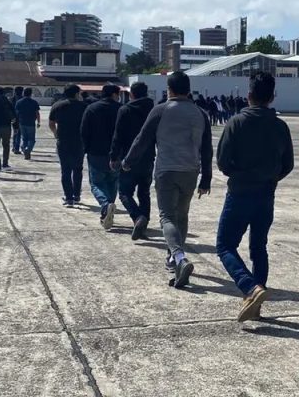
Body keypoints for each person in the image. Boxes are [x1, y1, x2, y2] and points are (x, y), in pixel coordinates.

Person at [216, 71, 294, 321]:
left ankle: (249, 287)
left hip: (240, 191)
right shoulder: (280, 126)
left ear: (248, 95)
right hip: (266, 193)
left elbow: (223, 162)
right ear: (273, 97)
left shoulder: (236, 122)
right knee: (258, 246)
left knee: (225, 245)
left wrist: (240, 174)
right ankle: (255, 302)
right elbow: (288, 164)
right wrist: (271, 178)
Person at [123, 71, 212, 289]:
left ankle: (180, 258)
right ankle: (172, 258)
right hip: (191, 171)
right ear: (188, 89)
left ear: (168, 89)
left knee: (166, 217)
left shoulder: (161, 110)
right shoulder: (200, 113)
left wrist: (128, 161)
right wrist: (206, 179)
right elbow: (207, 149)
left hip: (166, 170)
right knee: (182, 215)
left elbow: (142, 139)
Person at [110, 81, 155, 240]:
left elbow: (118, 135)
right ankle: (144, 222)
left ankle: (137, 218)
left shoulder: (125, 109)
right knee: (144, 192)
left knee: (124, 192)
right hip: (148, 157)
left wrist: (113, 156)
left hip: (128, 158)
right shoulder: (153, 109)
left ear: (131, 94)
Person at [81, 84, 121, 228]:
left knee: (96, 184)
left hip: (96, 152)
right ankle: (108, 209)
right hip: (116, 153)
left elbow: (84, 130)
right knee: (112, 182)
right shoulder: (121, 108)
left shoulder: (91, 109)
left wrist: (86, 148)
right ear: (115, 94)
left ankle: (105, 206)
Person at [49, 84, 87, 208]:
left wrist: (55, 134)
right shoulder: (84, 106)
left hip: (63, 141)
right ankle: (76, 195)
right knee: (78, 169)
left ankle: (69, 198)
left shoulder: (57, 105)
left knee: (65, 170)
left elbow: (51, 123)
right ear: (76, 94)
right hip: (79, 141)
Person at [15, 88, 40, 160]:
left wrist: (16, 123)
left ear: (23, 93)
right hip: (31, 123)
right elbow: (37, 113)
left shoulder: (19, 102)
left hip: (21, 122)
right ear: (31, 94)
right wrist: (38, 122)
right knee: (31, 139)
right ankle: (28, 149)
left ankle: (24, 148)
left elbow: (16, 113)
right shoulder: (34, 102)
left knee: (24, 138)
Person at [0, 87, 15, 171]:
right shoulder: (7, 101)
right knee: (6, 145)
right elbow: (13, 113)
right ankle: (5, 163)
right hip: (6, 126)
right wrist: (15, 126)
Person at [11, 86, 24, 154]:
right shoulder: (22, 99)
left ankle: (14, 146)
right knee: (19, 134)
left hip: (14, 118)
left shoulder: (12, 99)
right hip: (20, 118)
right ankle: (16, 148)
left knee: (15, 133)